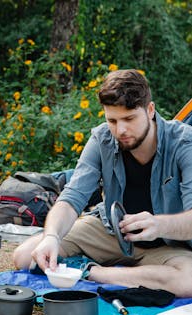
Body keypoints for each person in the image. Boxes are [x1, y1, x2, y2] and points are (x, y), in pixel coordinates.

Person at [13, 69, 192, 298]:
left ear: (150, 110)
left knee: (189, 280)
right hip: (110, 231)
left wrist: (159, 224)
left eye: (129, 119)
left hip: (166, 244)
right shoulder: (102, 138)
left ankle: (94, 272)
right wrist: (52, 237)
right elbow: (71, 198)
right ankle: (139, 275)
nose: (121, 130)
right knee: (27, 256)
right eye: (112, 120)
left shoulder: (185, 142)